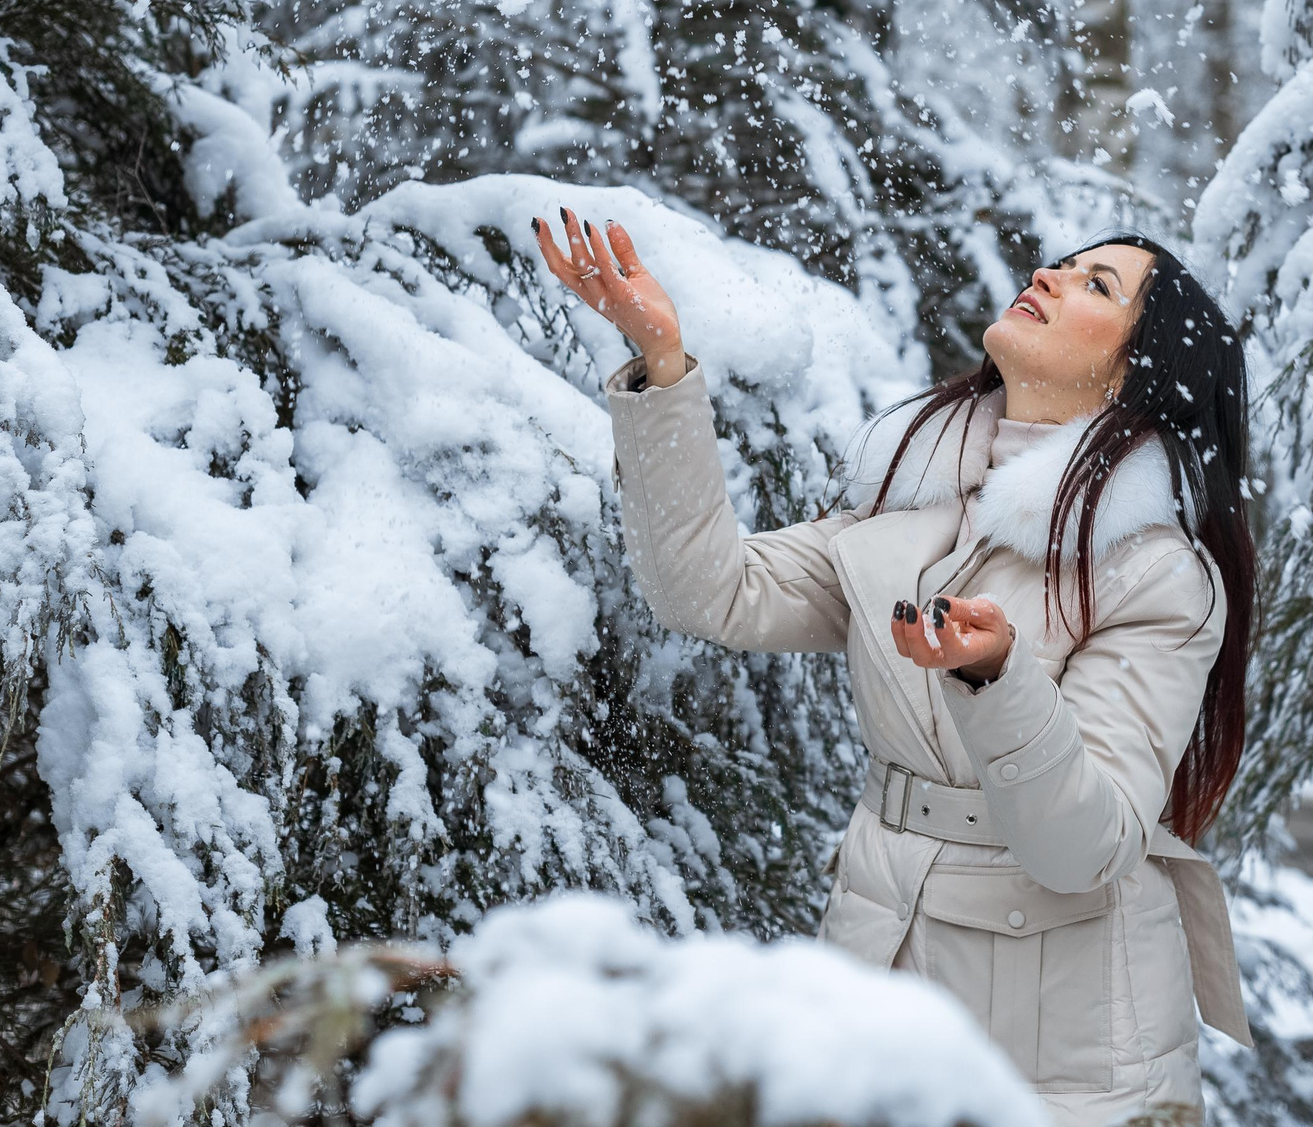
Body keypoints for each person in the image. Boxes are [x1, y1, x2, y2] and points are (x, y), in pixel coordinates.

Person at [536, 207, 1257, 1125]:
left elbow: (1086, 849)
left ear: (1131, 372)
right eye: (1066, 263)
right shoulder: (914, 503)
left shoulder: (1154, 570)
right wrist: (663, 362)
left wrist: (999, 678)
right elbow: (708, 591)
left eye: (1097, 285)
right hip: (877, 955)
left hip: (1071, 1045)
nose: (1052, 275)